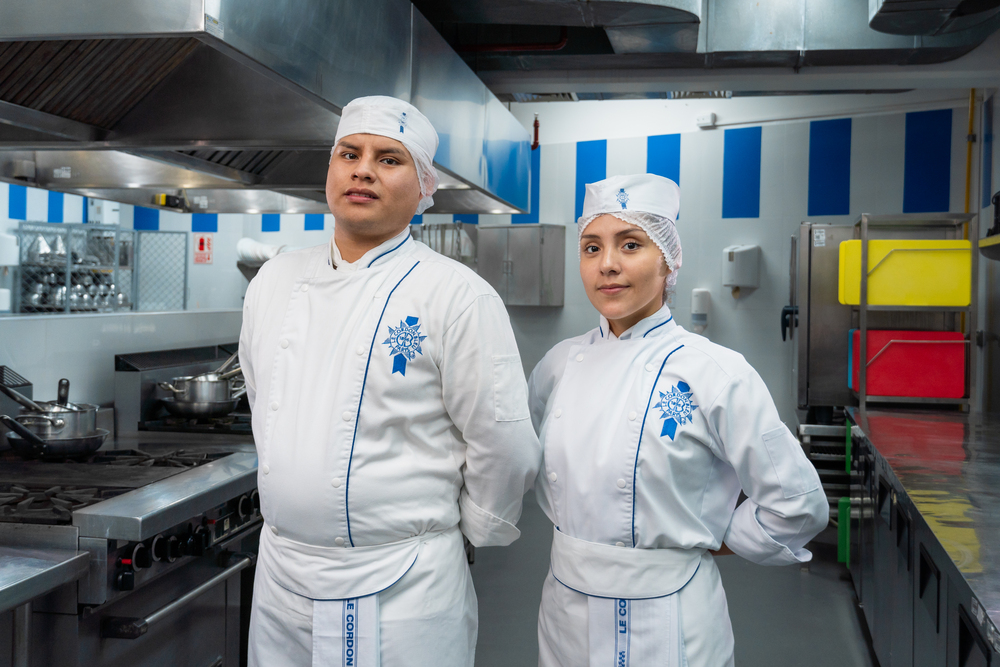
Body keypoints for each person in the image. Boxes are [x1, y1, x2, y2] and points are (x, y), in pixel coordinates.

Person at [239, 95, 541, 667]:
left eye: (389, 158)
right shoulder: (274, 281)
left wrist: (467, 531)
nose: (363, 170)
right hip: (281, 579)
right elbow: (263, 406)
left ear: (424, 186)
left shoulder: (455, 294)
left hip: (403, 585)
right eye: (349, 153)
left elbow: (503, 441)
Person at [528, 173, 829, 667]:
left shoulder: (713, 371)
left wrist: (719, 538)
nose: (607, 265)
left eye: (630, 244)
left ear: (668, 260)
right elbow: (523, 454)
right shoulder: (559, 364)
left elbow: (797, 503)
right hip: (564, 608)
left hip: (667, 614)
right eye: (590, 248)